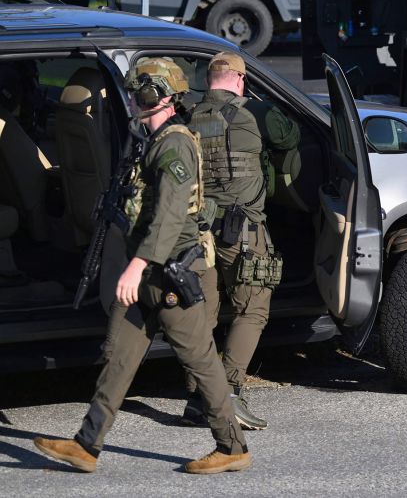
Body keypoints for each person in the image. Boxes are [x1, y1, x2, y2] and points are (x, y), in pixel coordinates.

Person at [34, 58, 250, 474]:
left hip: (168, 273)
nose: (133, 100)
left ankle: (232, 447)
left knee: (200, 362)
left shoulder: (174, 144)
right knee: (118, 356)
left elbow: (170, 217)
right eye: (132, 92)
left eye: (141, 92)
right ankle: (87, 444)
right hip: (146, 272)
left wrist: (134, 266)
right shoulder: (148, 141)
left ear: (164, 96)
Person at [182, 52, 300, 430]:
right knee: (252, 308)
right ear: (238, 79)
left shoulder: (187, 116)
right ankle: (229, 393)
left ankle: (198, 398)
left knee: (205, 313)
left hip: (199, 230)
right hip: (243, 227)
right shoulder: (258, 113)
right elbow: (291, 136)